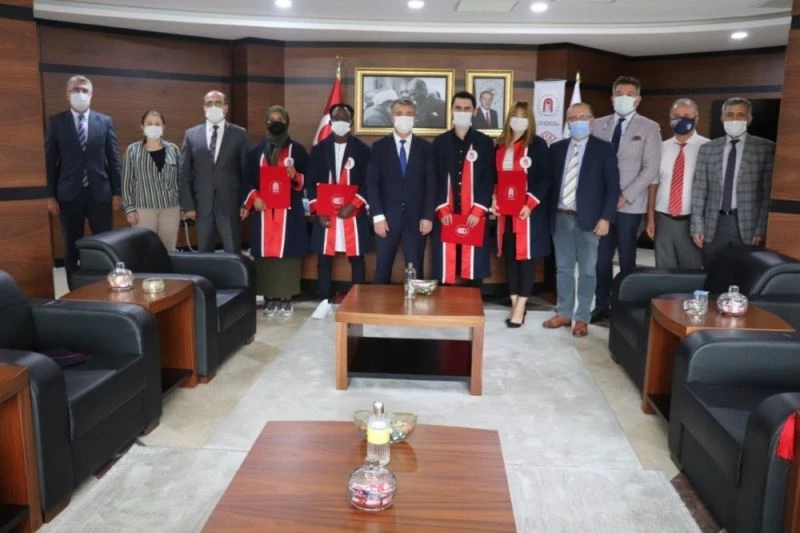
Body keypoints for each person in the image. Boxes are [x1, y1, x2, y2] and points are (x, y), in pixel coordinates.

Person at [543, 103, 620, 337]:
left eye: (583, 117)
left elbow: (612, 188)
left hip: (590, 220)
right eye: (573, 118)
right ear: (567, 122)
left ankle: (582, 317)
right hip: (560, 217)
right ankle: (564, 312)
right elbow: (549, 184)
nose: (578, 121)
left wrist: (606, 218)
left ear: (592, 121)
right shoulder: (556, 149)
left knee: (587, 270)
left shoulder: (604, 149)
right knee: (564, 269)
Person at [591, 76, 661, 324]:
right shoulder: (597, 125)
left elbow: (651, 168)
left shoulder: (649, 127)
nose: (623, 98)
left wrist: (625, 195)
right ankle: (602, 305)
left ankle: (625, 307)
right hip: (601, 206)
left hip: (629, 206)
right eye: (619, 93)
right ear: (612, 98)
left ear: (638, 99)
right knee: (601, 260)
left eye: (629, 94)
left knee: (627, 260)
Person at [45, 75, 122, 286]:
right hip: (68, 194)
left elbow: (114, 159)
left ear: (91, 94)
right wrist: (50, 195)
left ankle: (107, 284)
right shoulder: (56, 122)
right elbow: (50, 161)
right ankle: (74, 289)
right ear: (67, 94)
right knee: (71, 243)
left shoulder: (104, 121)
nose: (80, 94)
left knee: (105, 243)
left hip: (100, 193)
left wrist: (117, 192)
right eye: (75, 90)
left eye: (84, 90)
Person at [690, 97, 775, 268]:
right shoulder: (708, 149)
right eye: (729, 115)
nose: (734, 119)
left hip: (748, 226)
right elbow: (699, 190)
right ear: (722, 119)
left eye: (740, 115)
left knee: (745, 274)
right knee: (712, 272)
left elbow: (767, 195)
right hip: (714, 224)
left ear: (749, 119)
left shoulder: (766, 149)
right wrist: (697, 226)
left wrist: (761, 229)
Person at [243, 105, 310, 317]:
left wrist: (295, 175)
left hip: (289, 213)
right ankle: (270, 297)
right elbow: (247, 181)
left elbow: (309, 179)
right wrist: (254, 198)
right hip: (264, 211)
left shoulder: (297, 150)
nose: (276, 123)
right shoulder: (256, 152)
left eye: (280, 119)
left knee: (287, 253)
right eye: (272, 119)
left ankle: (286, 297)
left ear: (287, 122)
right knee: (266, 255)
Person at [307, 104, 373, 314]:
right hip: (326, 213)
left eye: (345, 118)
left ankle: (357, 301)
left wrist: (353, 204)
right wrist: (319, 210)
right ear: (330, 121)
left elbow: (369, 182)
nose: (341, 122)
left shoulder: (363, 150)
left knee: (357, 258)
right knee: (323, 259)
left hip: (353, 213)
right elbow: (311, 183)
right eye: (337, 118)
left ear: (351, 122)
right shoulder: (319, 149)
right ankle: (324, 301)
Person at [493, 101, 551, 327]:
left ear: (530, 120)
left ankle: (521, 305)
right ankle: (514, 301)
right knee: (510, 258)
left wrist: (529, 204)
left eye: (523, 115)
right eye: (515, 115)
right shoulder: (500, 146)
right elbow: (495, 177)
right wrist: (494, 198)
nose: (519, 119)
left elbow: (544, 179)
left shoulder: (537, 145)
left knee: (525, 259)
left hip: (527, 214)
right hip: (505, 214)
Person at [431, 91, 497, 289]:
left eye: (466, 108)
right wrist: (441, 208)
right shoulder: (439, 142)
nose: (462, 111)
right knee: (446, 267)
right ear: (451, 110)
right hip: (447, 213)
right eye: (458, 108)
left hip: (474, 214)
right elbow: (433, 178)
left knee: (474, 266)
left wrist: (479, 210)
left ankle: (474, 305)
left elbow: (489, 178)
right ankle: (445, 305)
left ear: (474, 111)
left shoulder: (484, 142)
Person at [367, 99, 435, 283]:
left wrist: (428, 216)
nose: (404, 118)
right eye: (399, 114)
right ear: (391, 117)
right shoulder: (379, 147)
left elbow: (431, 185)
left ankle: (414, 302)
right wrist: (378, 217)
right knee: (382, 269)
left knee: (415, 270)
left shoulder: (426, 148)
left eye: (408, 114)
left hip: (417, 220)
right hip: (386, 220)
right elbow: (372, 184)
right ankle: (380, 302)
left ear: (415, 117)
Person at [179, 90, 249, 253]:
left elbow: (246, 171)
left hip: (231, 205)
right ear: (204, 108)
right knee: (204, 254)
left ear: (226, 107)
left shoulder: (239, 134)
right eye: (209, 103)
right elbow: (184, 173)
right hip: (201, 206)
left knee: (233, 252)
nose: (213, 107)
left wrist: (245, 203)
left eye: (218, 103)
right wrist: (188, 205)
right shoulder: (191, 135)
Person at [645, 99, 708, 269]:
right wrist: (650, 218)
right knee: (663, 270)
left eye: (686, 115)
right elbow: (653, 184)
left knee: (691, 271)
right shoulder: (661, 147)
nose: (681, 119)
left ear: (697, 118)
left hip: (692, 221)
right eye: (676, 116)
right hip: (663, 219)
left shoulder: (707, 147)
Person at [122, 110, 181, 251]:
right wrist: (129, 209)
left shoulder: (173, 149)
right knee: (145, 250)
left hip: (170, 209)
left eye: (157, 124)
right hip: (143, 209)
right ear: (142, 126)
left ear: (163, 127)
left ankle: (167, 267)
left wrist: (184, 206)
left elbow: (180, 180)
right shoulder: (132, 150)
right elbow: (126, 182)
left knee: (168, 250)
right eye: (149, 123)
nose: (153, 127)